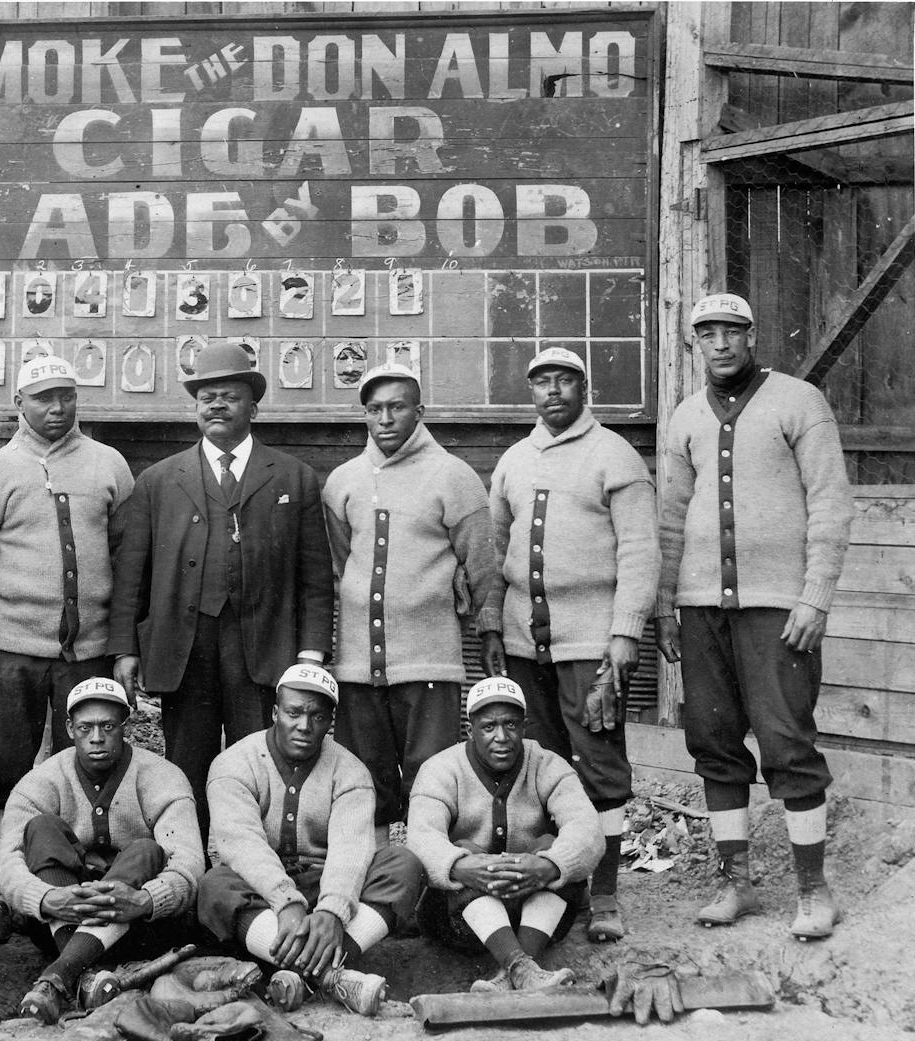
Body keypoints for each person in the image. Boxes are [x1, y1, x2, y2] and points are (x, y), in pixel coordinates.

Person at [657, 294, 853, 940]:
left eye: (732, 331)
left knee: (786, 742)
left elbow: (830, 503)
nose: (720, 344)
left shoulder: (799, 402)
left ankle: (812, 889)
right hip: (701, 607)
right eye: (706, 333)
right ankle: (735, 881)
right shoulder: (685, 417)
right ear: (695, 343)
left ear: (753, 334)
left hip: (779, 607)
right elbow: (669, 519)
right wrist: (666, 603)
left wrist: (815, 594)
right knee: (713, 743)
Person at [109, 340, 333, 826]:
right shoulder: (158, 480)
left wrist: (311, 653)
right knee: (186, 766)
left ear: (253, 406)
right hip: (185, 648)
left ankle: (257, 870)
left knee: (262, 765)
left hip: (264, 645)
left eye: (229, 395)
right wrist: (125, 648)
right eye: (205, 396)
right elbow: (132, 575)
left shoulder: (293, 477)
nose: (216, 404)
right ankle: (190, 870)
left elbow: (316, 577)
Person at [478, 346, 658, 942]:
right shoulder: (513, 460)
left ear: (585, 387)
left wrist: (626, 632)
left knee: (601, 768)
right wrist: (494, 625)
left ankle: (603, 896)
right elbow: (496, 552)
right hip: (526, 645)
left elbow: (639, 551)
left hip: (591, 641)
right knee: (543, 766)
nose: (552, 391)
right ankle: (559, 884)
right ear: (530, 392)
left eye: (564, 380)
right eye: (542, 382)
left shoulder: (615, 455)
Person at [0, 356, 135, 943]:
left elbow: (123, 553)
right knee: (1, 769)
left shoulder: (109, 465)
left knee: (82, 768)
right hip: (12, 647)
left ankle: (70, 884)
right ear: (19, 402)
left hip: (86, 651)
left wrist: (118, 641)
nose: (57, 408)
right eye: (43, 398)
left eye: (66, 396)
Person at [323, 361, 496, 846]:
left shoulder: (453, 476)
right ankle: (377, 876)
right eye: (374, 409)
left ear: (419, 411)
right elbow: (342, 562)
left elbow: (482, 563)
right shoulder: (343, 480)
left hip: (429, 659)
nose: (385, 419)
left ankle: (428, 882)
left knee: (432, 777)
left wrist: (488, 630)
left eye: (396, 407)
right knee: (363, 777)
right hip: (358, 663)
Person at [198, 664, 424, 1017]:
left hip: (324, 884)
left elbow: (351, 850)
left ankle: (301, 968)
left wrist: (332, 911)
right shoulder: (235, 762)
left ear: (330, 720)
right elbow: (240, 843)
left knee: (404, 864)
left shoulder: (349, 770)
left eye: (317, 716)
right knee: (214, 885)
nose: (304, 726)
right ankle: (330, 976)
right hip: (264, 893)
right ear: (275, 712)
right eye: (293, 713)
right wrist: (286, 901)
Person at [0, 677, 203, 1023]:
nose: (96, 737)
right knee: (42, 828)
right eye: (85, 727)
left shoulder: (162, 776)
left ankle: (59, 975)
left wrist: (146, 899)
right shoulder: (42, 780)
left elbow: (190, 861)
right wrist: (45, 898)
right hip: (61, 917)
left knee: (146, 850)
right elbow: (7, 864)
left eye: (108, 726)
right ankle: (87, 973)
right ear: (69, 728)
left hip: (138, 922)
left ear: (126, 726)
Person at [408, 676, 603, 991]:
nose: (501, 737)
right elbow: (420, 837)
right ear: (470, 730)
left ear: (524, 727)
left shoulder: (546, 764)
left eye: (511, 725)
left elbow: (587, 829)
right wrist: (460, 866)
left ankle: (512, 974)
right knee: (464, 851)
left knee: (555, 849)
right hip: (462, 920)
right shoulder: (441, 768)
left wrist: (550, 865)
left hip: (535, 917)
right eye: (488, 727)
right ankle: (521, 968)